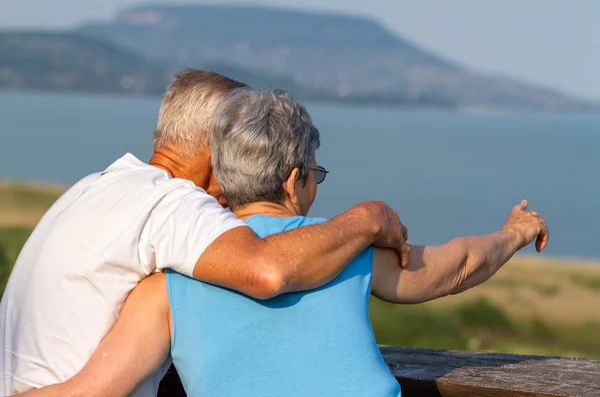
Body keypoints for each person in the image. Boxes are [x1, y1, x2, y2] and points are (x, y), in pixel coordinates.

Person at [25, 88, 549, 397]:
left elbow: (88, 393)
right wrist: (514, 233)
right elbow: (457, 267)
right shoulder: (347, 252)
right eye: (317, 173)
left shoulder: (164, 288)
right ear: (295, 180)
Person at [0, 70, 411, 396]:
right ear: (219, 150)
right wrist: (367, 219)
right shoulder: (175, 204)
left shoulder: (99, 185)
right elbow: (267, 270)